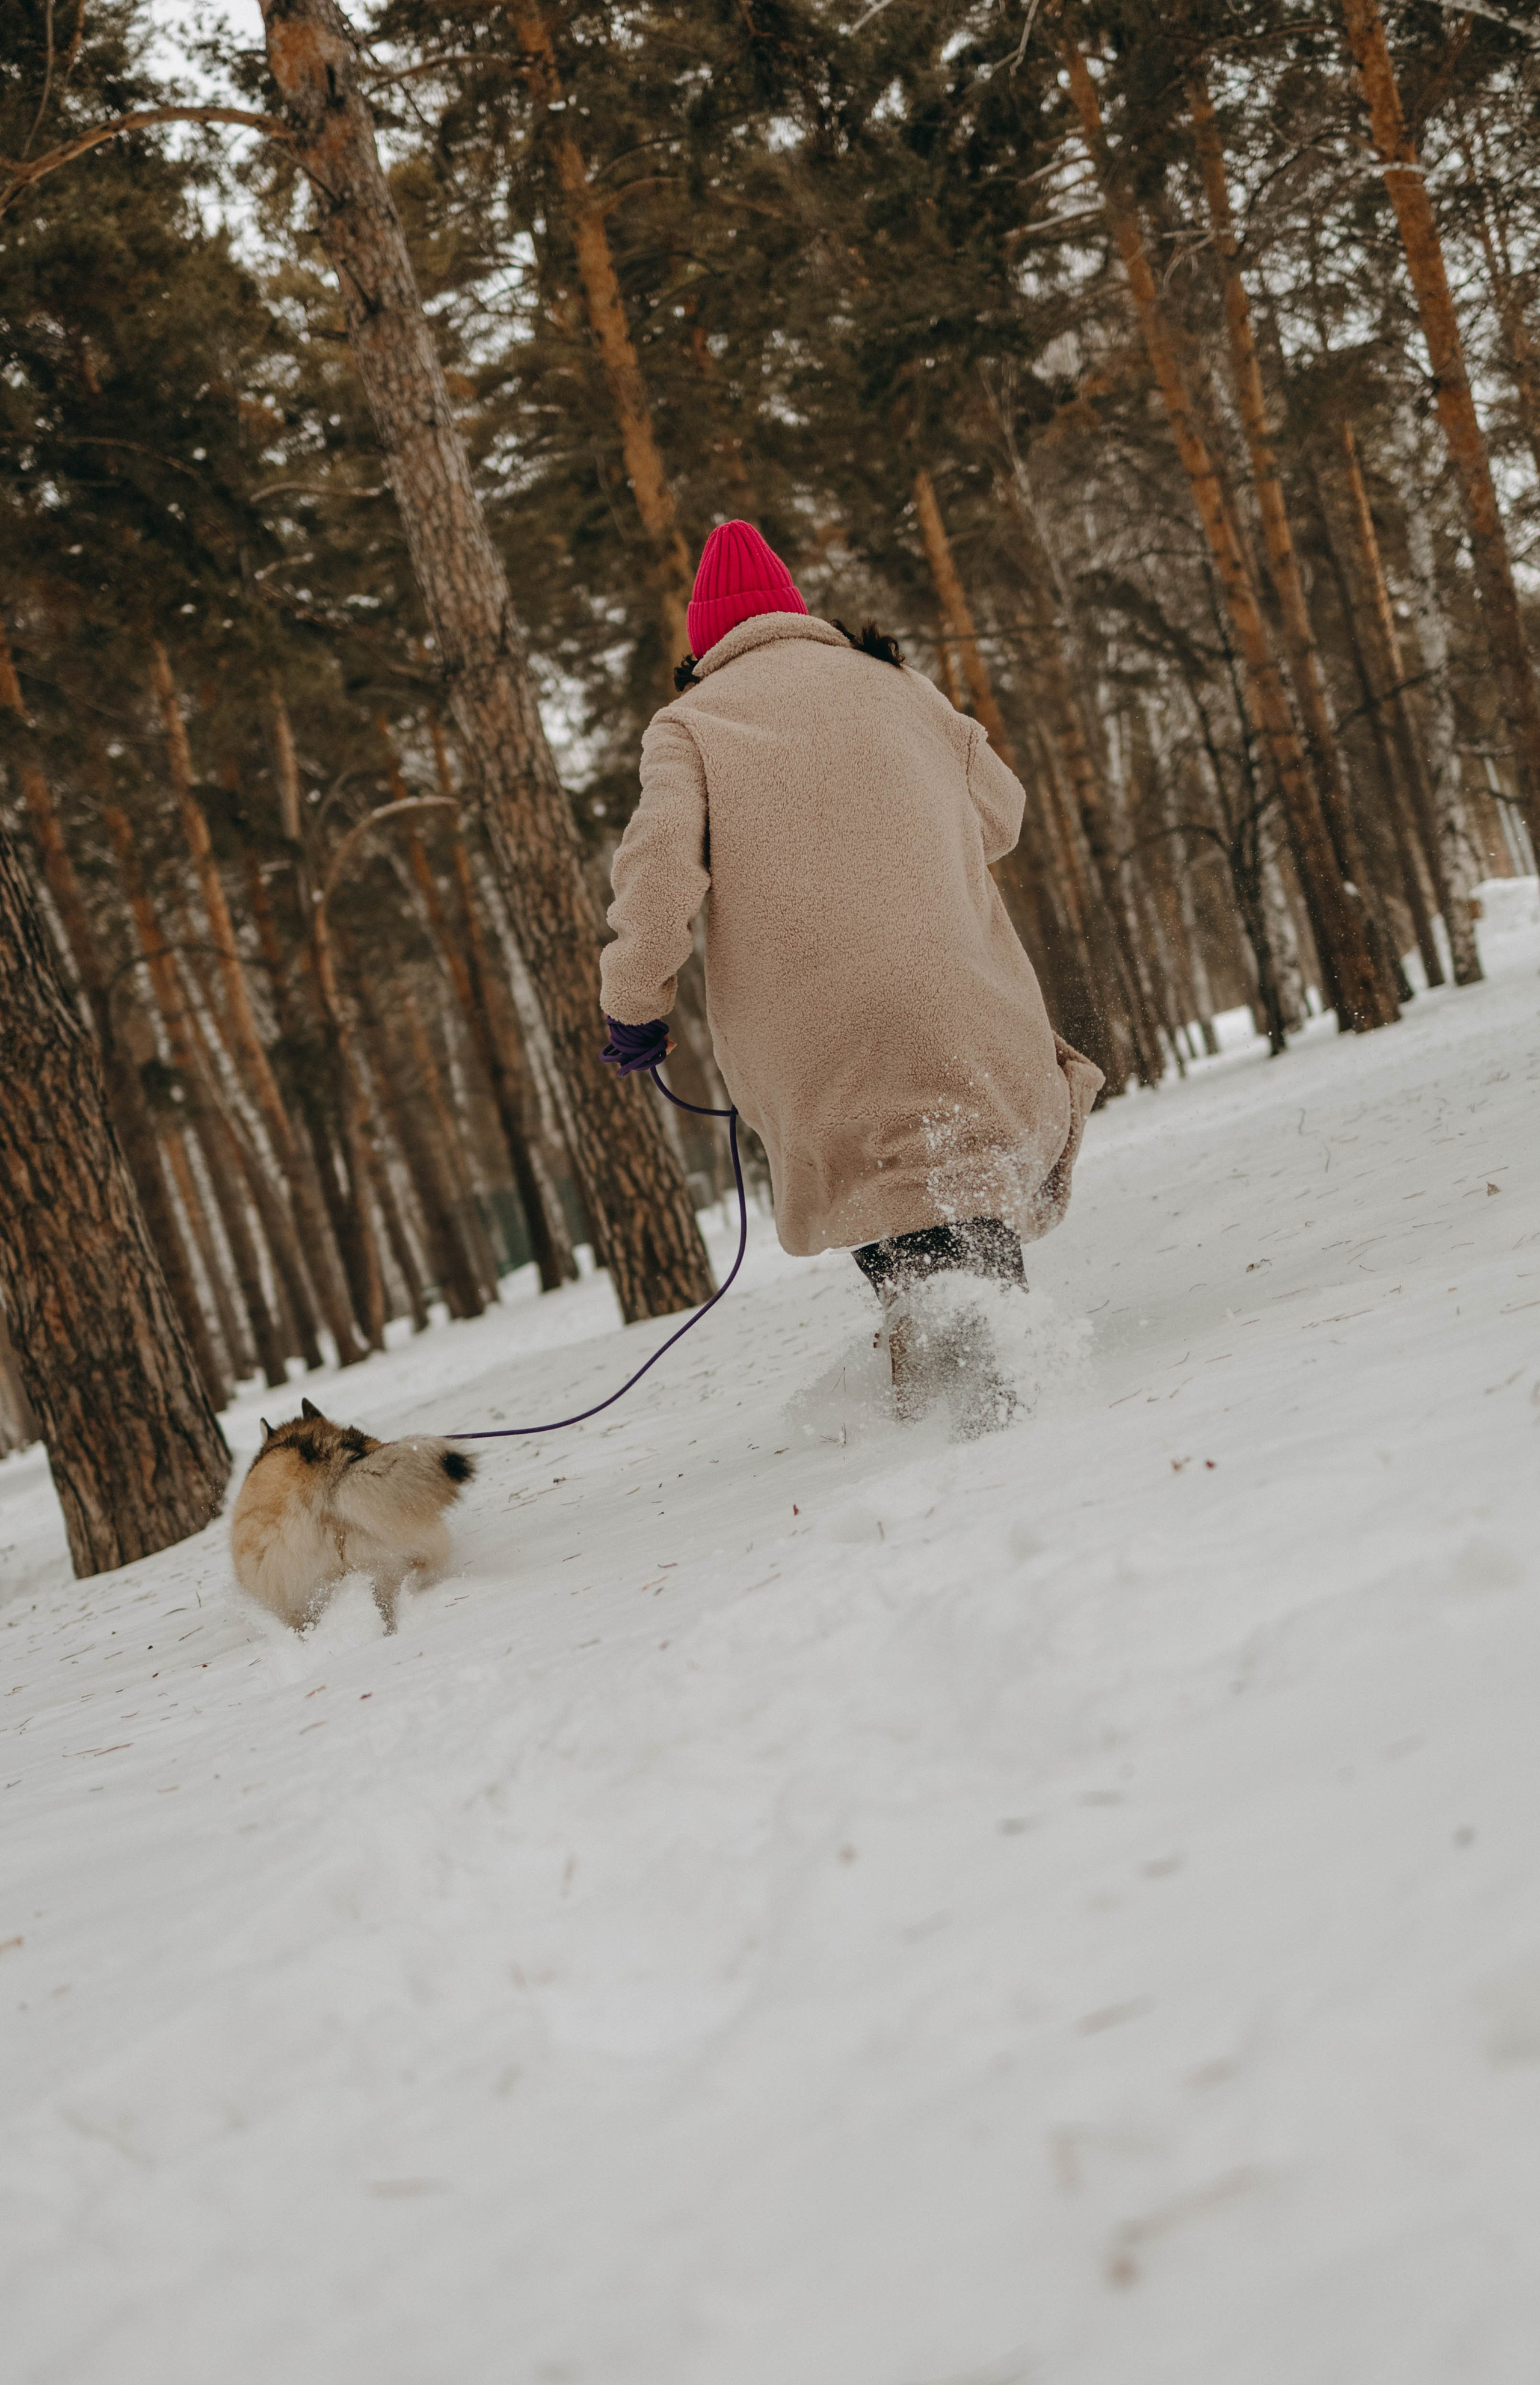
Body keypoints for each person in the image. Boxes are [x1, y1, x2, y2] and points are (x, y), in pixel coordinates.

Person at [600, 519, 1103, 1431]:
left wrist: (635, 1004)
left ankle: (944, 1381)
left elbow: (659, 869)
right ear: (796, 608)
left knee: (878, 1183)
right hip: (950, 989)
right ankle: (1001, 1371)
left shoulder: (690, 725)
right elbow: (1004, 815)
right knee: (959, 1167)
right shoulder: (897, 683)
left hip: (808, 1030)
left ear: (705, 639)